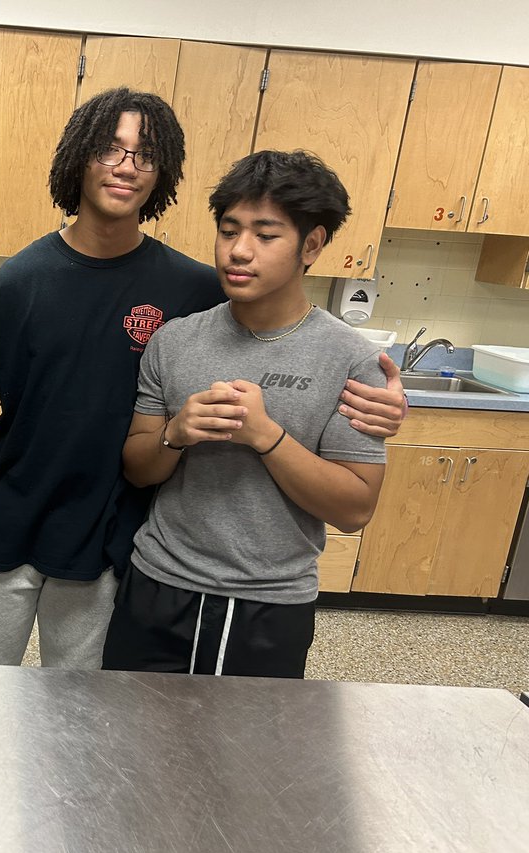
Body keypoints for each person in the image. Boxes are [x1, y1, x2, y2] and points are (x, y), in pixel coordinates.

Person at [0, 87, 407, 669]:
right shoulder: (12, 286)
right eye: (110, 149)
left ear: (163, 172)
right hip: (6, 523)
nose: (127, 166)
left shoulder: (197, 290)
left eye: (145, 153)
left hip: (110, 536)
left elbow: (282, 338)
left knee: (87, 716)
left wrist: (383, 403)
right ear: (79, 157)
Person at [102, 150, 387, 678]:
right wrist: (176, 433)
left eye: (266, 234)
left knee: (246, 757)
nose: (239, 251)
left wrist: (267, 437)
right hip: (158, 586)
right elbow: (137, 468)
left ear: (313, 244)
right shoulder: (175, 341)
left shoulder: (352, 360)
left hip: (270, 603)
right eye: (228, 230)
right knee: (129, 746)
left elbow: (354, 509)